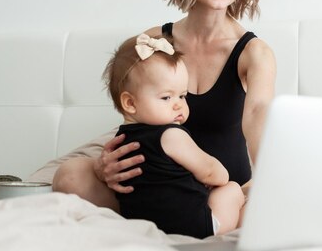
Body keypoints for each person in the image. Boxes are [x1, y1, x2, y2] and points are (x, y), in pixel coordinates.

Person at [48, 0, 276, 214]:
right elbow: (131, 117)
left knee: (263, 203)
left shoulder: (254, 53)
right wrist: (105, 167)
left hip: (222, 194)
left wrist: (264, 182)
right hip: (158, 187)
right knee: (69, 174)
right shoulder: (151, 42)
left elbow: (259, 116)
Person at [102, 33, 245, 238]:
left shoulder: (120, 142)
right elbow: (212, 173)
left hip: (143, 226)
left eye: (182, 96)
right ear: (130, 103)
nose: (178, 104)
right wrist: (221, 177)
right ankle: (222, 235)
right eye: (166, 97)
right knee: (231, 190)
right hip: (193, 228)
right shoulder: (171, 135)